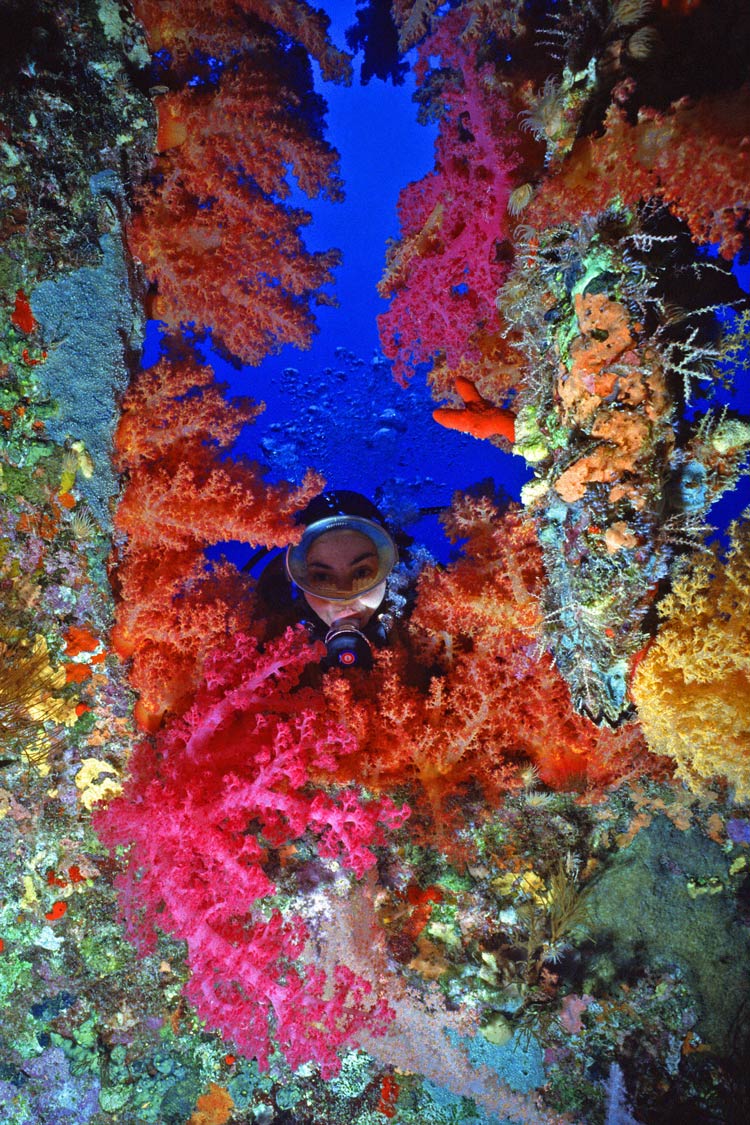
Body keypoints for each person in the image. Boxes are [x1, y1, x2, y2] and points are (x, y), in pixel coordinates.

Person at [256, 491, 417, 669]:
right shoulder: (269, 626)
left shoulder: (425, 613)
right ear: (297, 580)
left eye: (361, 573)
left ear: (389, 570)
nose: (344, 598)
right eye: (322, 577)